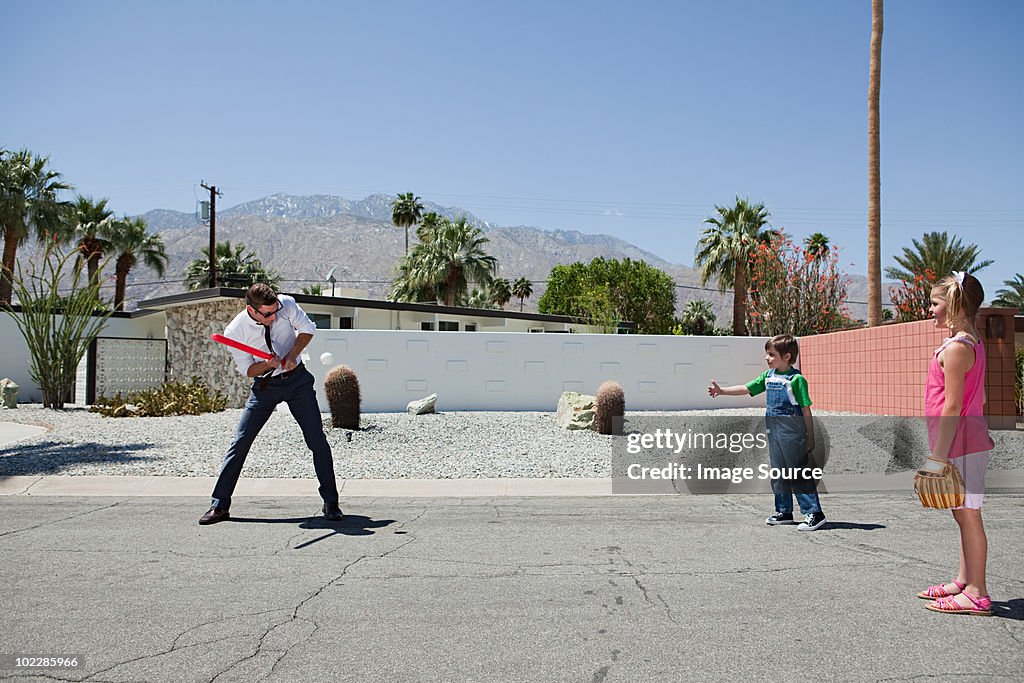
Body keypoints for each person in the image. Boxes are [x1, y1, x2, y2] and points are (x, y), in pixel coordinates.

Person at [199, 283, 343, 525]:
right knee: (240, 442)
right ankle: (219, 505)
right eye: (267, 313)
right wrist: (268, 364)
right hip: (265, 388)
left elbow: (308, 329)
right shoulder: (235, 331)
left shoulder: (286, 304)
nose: (274, 316)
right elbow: (248, 370)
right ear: (252, 310)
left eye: (275, 310)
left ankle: (331, 502)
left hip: (298, 382)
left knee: (316, 439)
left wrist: (291, 355)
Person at [917, 271, 994, 616]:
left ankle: (977, 592)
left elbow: (951, 405)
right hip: (965, 441)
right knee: (962, 515)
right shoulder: (968, 342)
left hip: (961, 444)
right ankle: (965, 580)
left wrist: (937, 457)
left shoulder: (958, 348)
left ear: (955, 306)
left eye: (935, 303)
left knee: (969, 515)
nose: (929, 309)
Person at [707, 334, 827, 531]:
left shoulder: (796, 380)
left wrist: (810, 437)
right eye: (767, 354)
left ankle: (814, 513)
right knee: (778, 472)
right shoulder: (768, 377)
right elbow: (746, 388)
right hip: (774, 433)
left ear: (787, 356)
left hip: (793, 434)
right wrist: (722, 391)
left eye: (771, 355)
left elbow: (806, 410)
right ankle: (784, 511)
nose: (767, 358)